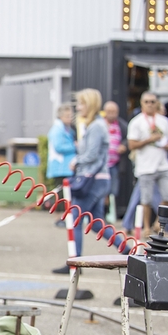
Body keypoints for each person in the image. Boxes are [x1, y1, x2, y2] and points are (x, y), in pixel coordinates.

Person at [54, 90, 113, 273]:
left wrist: (76, 161)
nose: (78, 108)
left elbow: (92, 155)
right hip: (98, 179)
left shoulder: (96, 126)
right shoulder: (94, 125)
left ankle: (75, 262)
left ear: (90, 104)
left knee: (75, 219)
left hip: (93, 180)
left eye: (81, 104)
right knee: (96, 224)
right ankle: (130, 251)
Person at [127, 91, 168, 236]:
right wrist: (149, 139)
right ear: (142, 103)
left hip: (163, 164)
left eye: (153, 102)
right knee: (145, 199)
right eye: (147, 101)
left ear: (157, 103)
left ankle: (158, 223)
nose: (150, 104)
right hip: (145, 166)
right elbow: (131, 145)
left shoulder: (164, 121)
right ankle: (146, 227)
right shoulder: (136, 122)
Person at [102, 101, 128, 209]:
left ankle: (110, 213)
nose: (111, 114)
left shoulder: (122, 125)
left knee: (113, 190)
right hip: (102, 164)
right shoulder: (100, 124)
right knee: (102, 189)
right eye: (109, 111)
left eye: (114, 111)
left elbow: (128, 138)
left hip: (115, 164)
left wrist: (124, 145)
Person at [46, 103, 77, 188]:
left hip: (66, 168)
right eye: (67, 116)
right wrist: (74, 146)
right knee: (61, 195)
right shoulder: (57, 130)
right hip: (60, 168)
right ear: (60, 116)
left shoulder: (67, 129)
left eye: (71, 115)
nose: (70, 118)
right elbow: (58, 147)